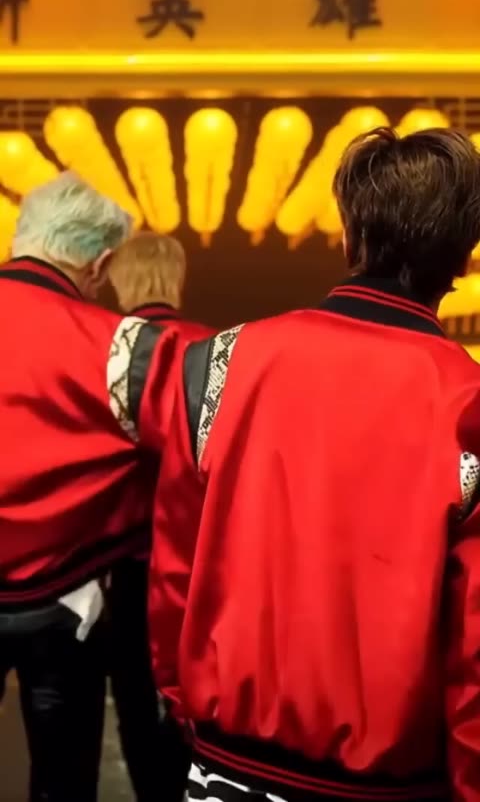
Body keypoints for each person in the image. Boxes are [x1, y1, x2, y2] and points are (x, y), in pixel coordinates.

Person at [104, 127, 480, 801]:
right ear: (462, 257)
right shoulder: (466, 400)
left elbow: (175, 568)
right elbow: (473, 643)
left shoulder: (221, 364)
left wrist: (184, 704)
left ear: (350, 238)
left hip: (226, 765)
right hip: (388, 785)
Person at [0, 172, 178, 802]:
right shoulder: (119, 344)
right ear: (100, 264)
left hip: (62, 599)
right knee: (64, 784)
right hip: (65, 601)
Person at [105, 232, 212, 802]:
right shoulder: (214, 349)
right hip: (199, 561)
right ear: (178, 277)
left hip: (127, 555)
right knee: (195, 696)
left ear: (119, 279)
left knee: (133, 697)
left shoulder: (106, 352)